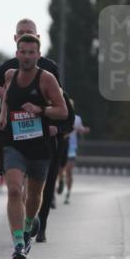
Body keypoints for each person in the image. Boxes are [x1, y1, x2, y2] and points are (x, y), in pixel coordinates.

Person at [0, 34, 67, 259]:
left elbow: (62, 111)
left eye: (31, 52)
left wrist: (40, 109)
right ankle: (18, 244)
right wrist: (4, 117)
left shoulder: (46, 79)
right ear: (17, 54)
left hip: (39, 145)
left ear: (38, 54)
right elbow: (6, 97)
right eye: (22, 52)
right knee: (15, 190)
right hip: (14, 143)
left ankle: (27, 228)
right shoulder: (10, 75)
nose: (26, 56)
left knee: (34, 196)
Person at [35, 88, 75, 243]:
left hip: (53, 148)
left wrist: (57, 129)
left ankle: (42, 226)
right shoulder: (23, 87)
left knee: (47, 188)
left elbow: (69, 122)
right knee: (28, 188)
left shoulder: (58, 92)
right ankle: (28, 222)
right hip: (28, 147)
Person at [57, 106, 90, 205]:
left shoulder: (77, 119)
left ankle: (68, 194)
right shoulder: (58, 116)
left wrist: (84, 130)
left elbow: (80, 129)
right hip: (61, 147)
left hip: (71, 148)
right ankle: (61, 180)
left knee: (69, 171)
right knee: (59, 170)